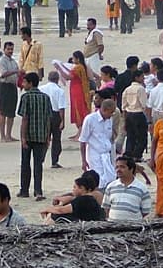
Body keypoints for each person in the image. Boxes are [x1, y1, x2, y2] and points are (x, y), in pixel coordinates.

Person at [17, 72, 52, 200]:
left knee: (25, 163)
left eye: (25, 82)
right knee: (38, 164)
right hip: (41, 135)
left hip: (29, 135)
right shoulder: (45, 97)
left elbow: (24, 118)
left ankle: (24, 190)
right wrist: (48, 136)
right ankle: (38, 190)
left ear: (30, 83)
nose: (23, 84)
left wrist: (23, 137)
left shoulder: (26, 97)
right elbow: (48, 118)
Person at [79, 98, 117, 189]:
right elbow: (83, 140)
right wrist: (84, 161)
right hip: (94, 155)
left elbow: (109, 139)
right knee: (97, 179)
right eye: (111, 112)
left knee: (110, 178)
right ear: (104, 110)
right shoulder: (90, 119)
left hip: (107, 155)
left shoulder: (109, 120)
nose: (112, 115)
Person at [103, 156, 154, 221]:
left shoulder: (142, 188)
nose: (118, 170)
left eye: (122, 167)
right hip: (113, 227)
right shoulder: (111, 186)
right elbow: (106, 207)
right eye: (117, 167)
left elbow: (145, 211)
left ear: (131, 169)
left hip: (133, 227)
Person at [40, 174, 105, 222]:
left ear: (82, 188)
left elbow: (60, 210)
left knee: (54, 215)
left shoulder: (83, 200)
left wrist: (47, 209)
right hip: (91, 223)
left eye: (75, 187)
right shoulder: (90, 198)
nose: (73, 189)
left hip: (86, 225)